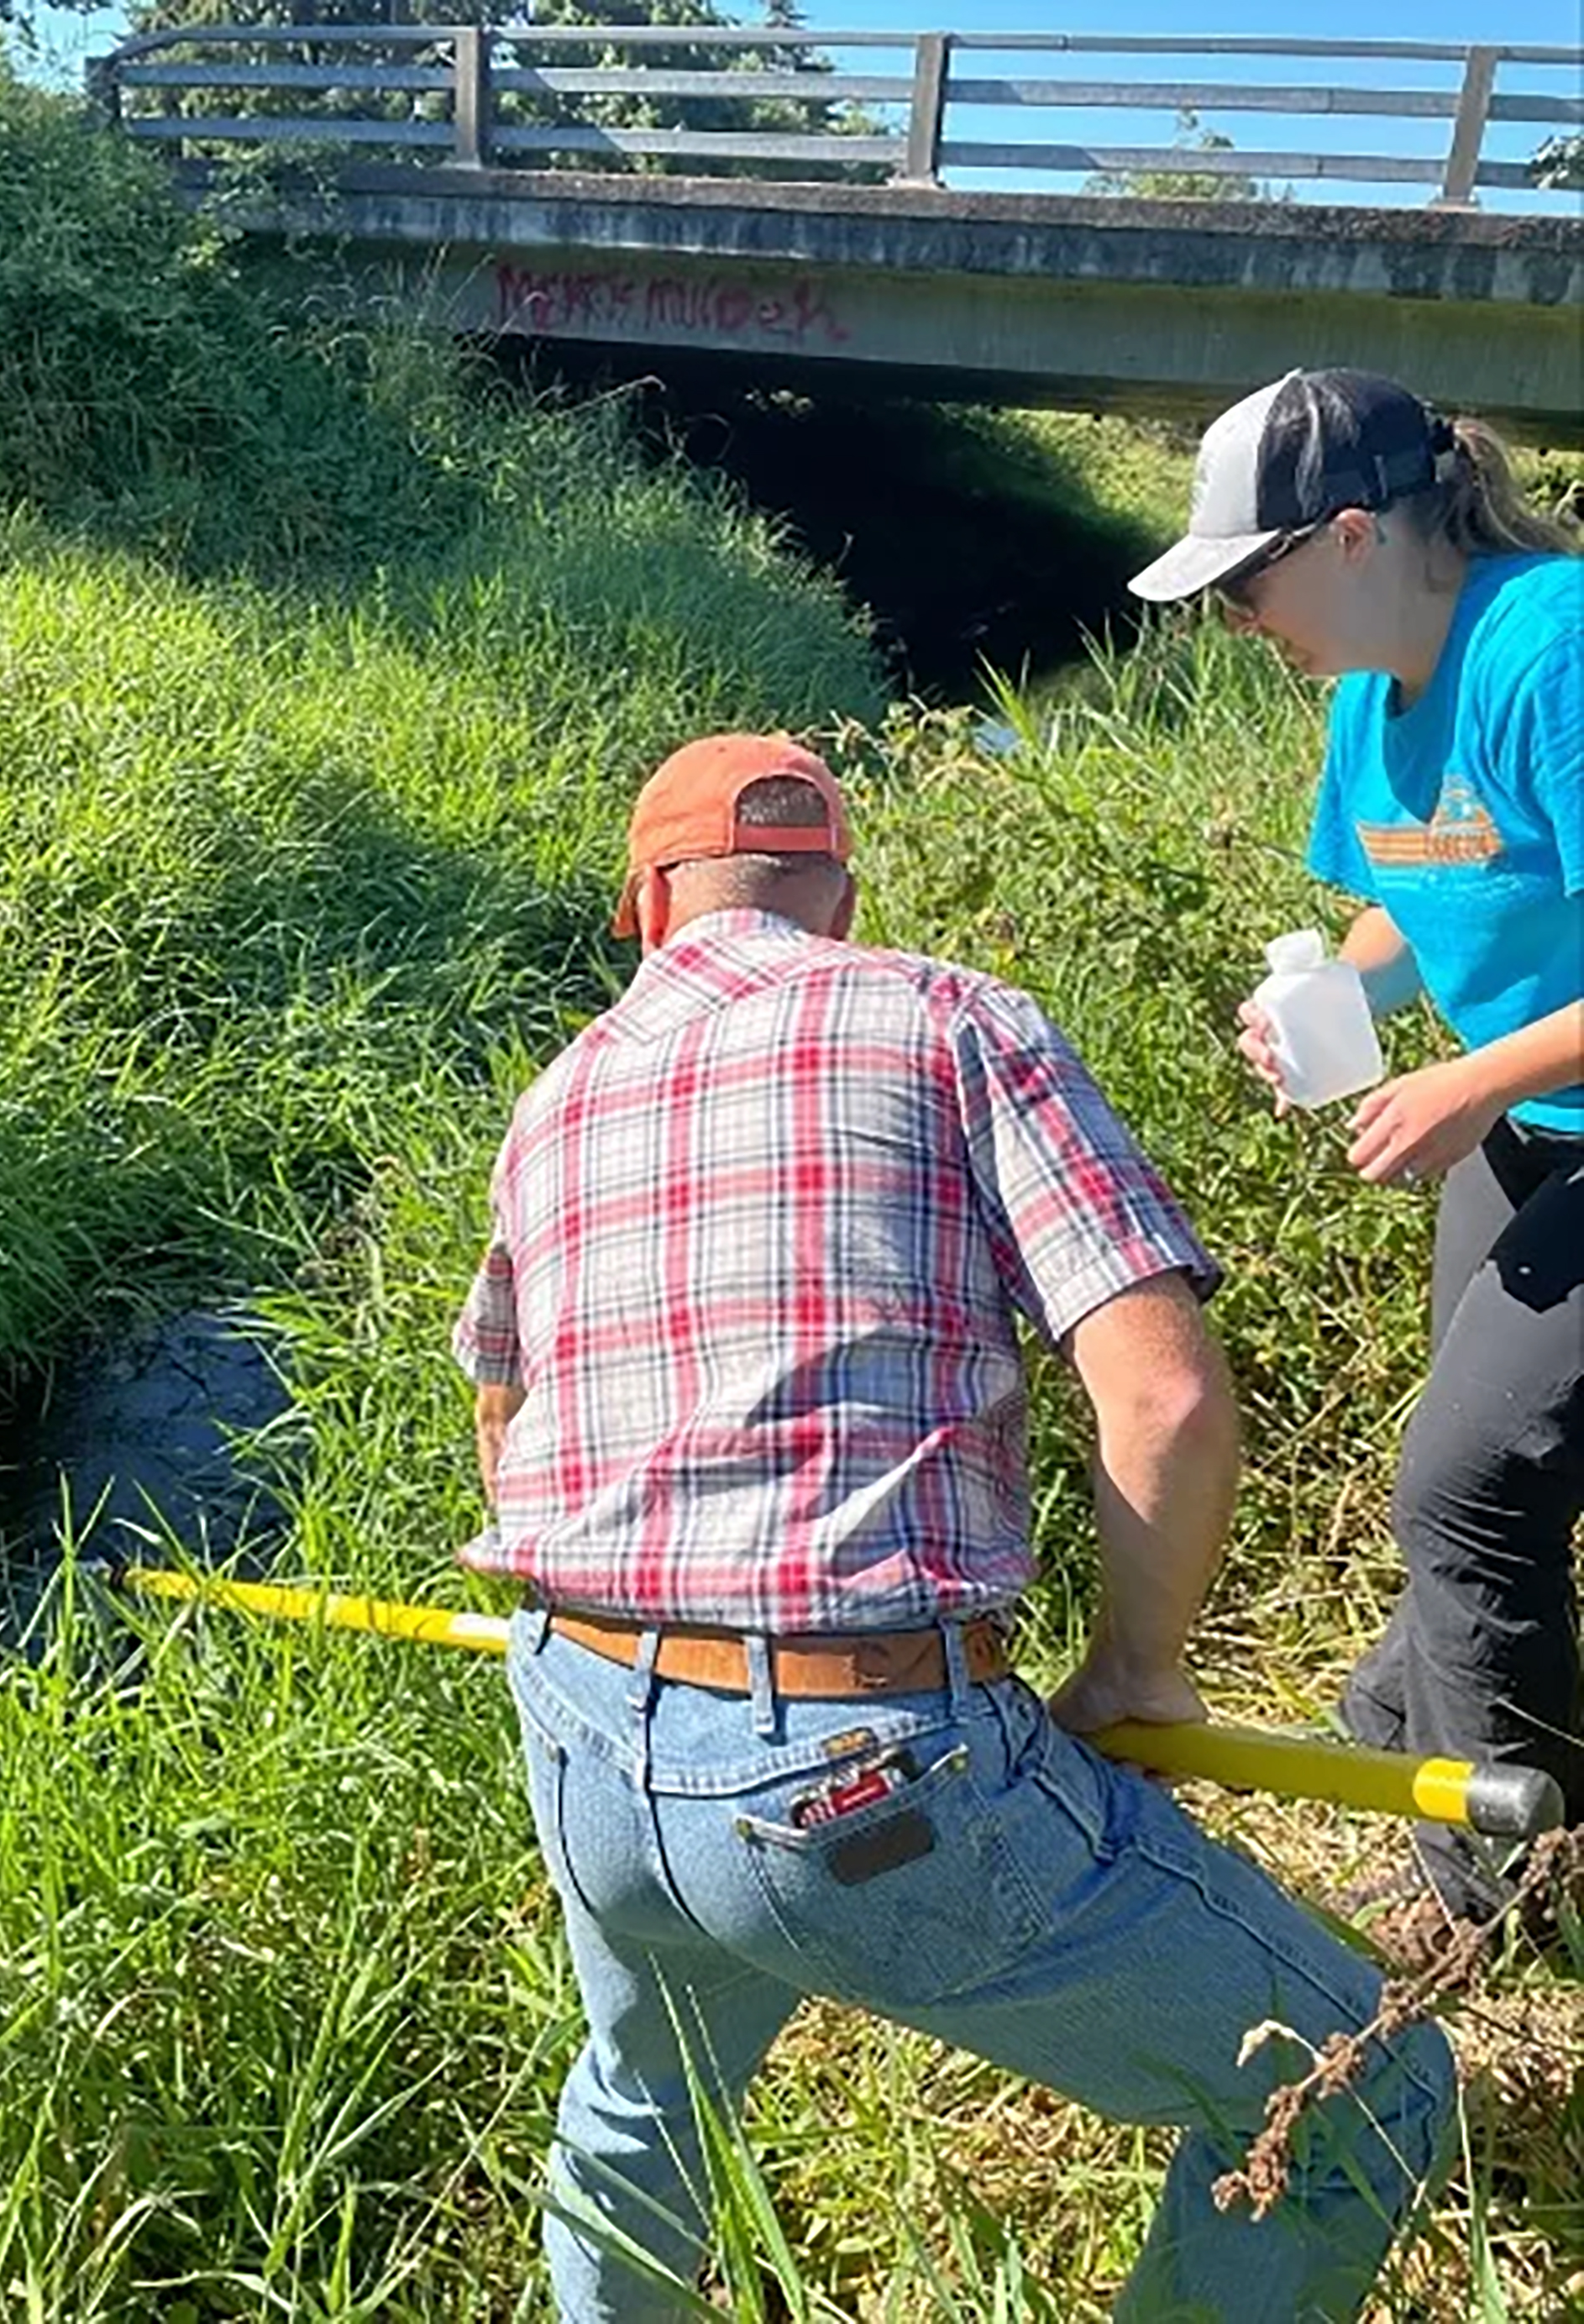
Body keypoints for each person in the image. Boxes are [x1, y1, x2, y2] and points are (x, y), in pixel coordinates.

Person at [453, 731, 1452, 2322]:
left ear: (649, 908)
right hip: (854, 1770)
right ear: (838, 892)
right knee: (1357, 2087)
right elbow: (1168, 1399)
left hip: (575, 1717)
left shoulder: (553, 1100)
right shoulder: (944, 1015)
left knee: (641, 2101)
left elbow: (505, 1427)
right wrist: (1136, 1672)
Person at [1130, 366, 1582, 1958]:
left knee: (1469, 1483)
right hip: (1527, 1134)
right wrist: (1345, 989)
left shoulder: (1554, 645)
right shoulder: (1358, 704)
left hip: (1544, 1119)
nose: (1240, 622)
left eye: (1244, 586)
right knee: (1476, 1484)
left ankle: (1501, 1905)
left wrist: (1471, 1077)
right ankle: (1406, 1737)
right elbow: (1418, 890)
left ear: (1342, 539)